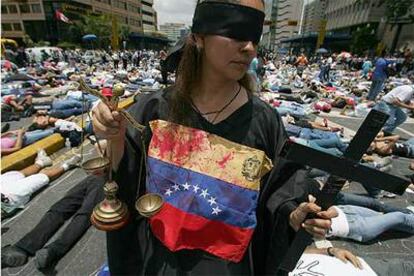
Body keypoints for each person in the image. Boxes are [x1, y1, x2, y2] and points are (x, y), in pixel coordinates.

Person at [91, 1, 335, 275]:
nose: (249, 48)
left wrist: (295, 215)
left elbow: (281, 191)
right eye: (236, 34)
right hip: (161, 261)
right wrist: (114, 136)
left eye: (254, 39)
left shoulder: (264, 121)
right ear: (198, 37)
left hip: (229, 266)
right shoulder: (155, 108)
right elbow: (125, 177)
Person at [1, 175, 104, 270]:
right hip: (98, 175)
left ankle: (53, 250)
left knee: (85, 213)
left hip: (111, 178)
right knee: (62, 207)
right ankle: (23, 247)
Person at [1, 150, 81, 218]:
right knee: (41, 177)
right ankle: (66, 166)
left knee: (14, 175)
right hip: (6, 198)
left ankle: (41, 162)